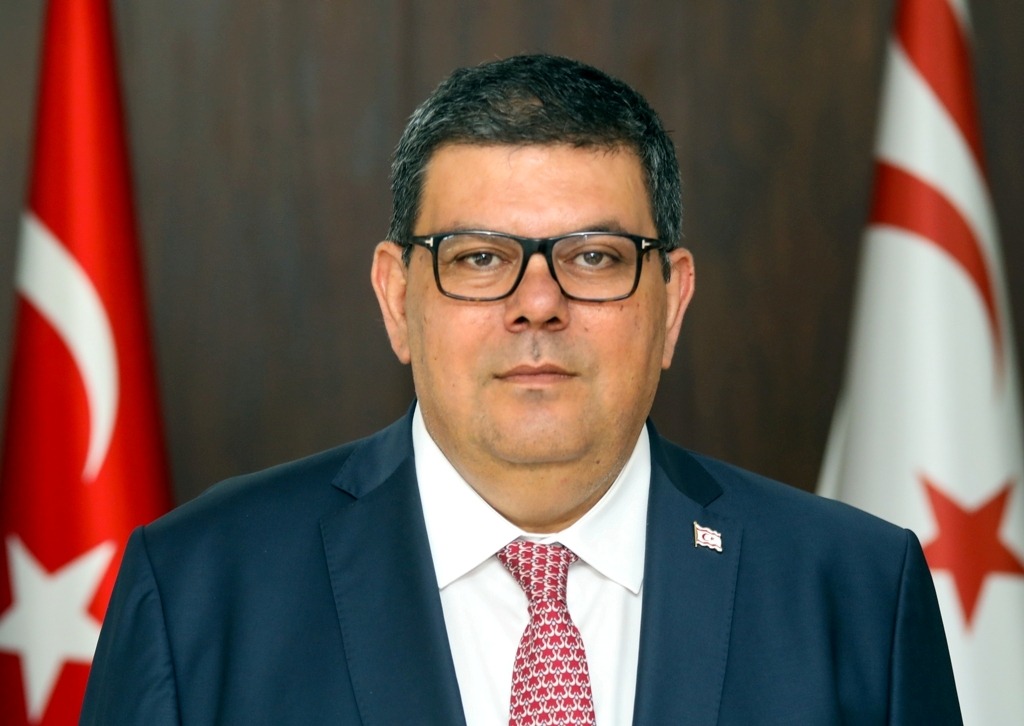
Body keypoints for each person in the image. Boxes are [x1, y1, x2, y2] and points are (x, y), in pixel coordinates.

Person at [81, 54, 961, 725]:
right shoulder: (199, 590)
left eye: (594, 257)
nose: (537, 302)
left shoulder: (857, 593)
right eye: (478, 258)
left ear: (672, 303)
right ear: (395, 299)